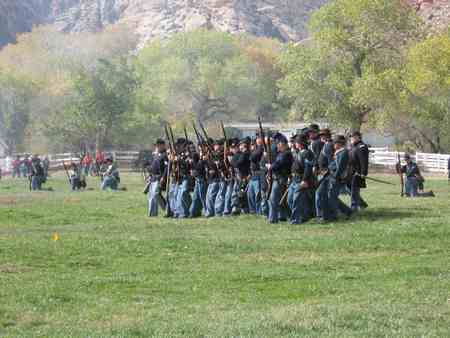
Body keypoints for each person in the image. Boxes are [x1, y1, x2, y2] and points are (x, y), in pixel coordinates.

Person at [288, 133, 315, 224]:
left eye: (296, 142)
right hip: (294, 179)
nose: (295, 144)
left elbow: (308, 168)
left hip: (301, 180)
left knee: (296, 201)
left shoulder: (307, 153)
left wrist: (304, 180)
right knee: (290, 199)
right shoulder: (299, 152)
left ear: (300, 143)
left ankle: (296, 219)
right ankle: (303, 216)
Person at [267, 135, 293, 224]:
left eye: (279, 144)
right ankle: (283, 216)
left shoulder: (286, 154)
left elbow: (278, 164)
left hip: (281, 178)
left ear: (283, 144)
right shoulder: (281, 154)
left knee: (273, 199)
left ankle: (272, 219)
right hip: (279, 178)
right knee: (281, 199)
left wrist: (271, 167)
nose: (277, 145)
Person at [327, 135, 353, 221]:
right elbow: (334, 164)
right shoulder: (339, 152)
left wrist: (335, 177)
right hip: (334, 176)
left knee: (332, 197)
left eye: (335, 143)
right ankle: (347, 211)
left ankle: (335, 215)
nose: (333, 145)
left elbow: (340, 167)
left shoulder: (343, 152)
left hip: (337, 178)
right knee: (332, 196)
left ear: (339, 144)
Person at [315, 128, 333, 222]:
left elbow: (331, 161)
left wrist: (328, 172)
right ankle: (325, 215)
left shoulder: (329, 145)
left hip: (325, 174)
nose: (321, 137)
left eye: (323, 135)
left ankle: (322, 216)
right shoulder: (326, 144)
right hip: (322, 173)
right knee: (323, 195)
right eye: (320, 135)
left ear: (327, 136)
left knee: (320, 195)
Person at [146, 139, 168, 217]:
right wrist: (149, 175)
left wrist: (163, 177)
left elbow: (166, 168)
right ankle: (152, 214)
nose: (156, 147)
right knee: (151, 196)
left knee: (156, 194)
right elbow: (153, 166)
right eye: (156, 145)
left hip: (159, 177)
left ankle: (167, 209)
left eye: (158, 145)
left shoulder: (165, 155)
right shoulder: (156, 155)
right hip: (153, 177)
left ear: (162, 145)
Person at [349, 131, 369, 212]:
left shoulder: (361, 147)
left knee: (354, 190)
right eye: (351, 137)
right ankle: (362, 204)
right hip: (351, 172)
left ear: (358, 137)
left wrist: (363, 173)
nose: (351, 138)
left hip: (357, 172)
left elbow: (364, 161)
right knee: (350, 189)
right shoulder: (353, 146)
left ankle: (354, 208)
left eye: (353, 137)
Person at [230, 138, 251, 215]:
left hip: (244, 176)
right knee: (239, 193)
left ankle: (244, 209)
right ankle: (241, 209)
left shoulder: (246, 153)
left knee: (241, 193)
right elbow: (233, 163)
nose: (240, 146)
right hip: (240, 176)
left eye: (242, 145)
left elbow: (238, 163)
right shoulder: (240, 154)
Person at [247, 133, 264, 214]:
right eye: (257, 138)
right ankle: (253, 210)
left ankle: (259, 211)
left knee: (258, 194)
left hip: (258, 173)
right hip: (253, 174)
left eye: (259, 138)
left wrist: (253, 151)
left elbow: (253, 157)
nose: (257, 139)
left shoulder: (262, 148)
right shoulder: (255, 149)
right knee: (250, 194)